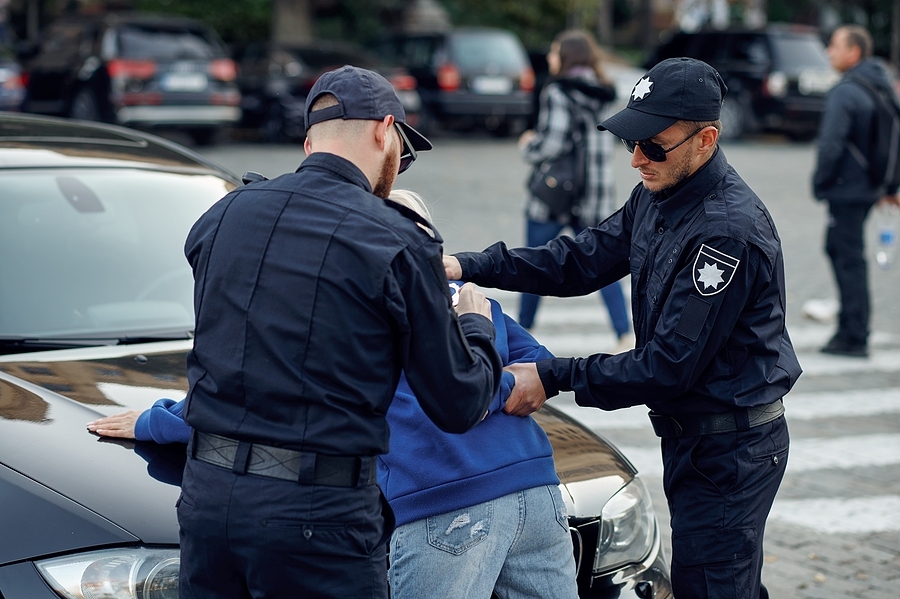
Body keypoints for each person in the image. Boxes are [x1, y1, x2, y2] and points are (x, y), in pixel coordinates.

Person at [88, 189, 579, 599]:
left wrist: (154, 422)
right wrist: (495, 381)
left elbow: (260, 400)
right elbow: (537, 369)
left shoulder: (359, 315)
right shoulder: (476, 304)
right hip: (538, 495)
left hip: (445, 507)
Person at [444, 57, 802, 599]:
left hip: (730, 447)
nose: (636, 159)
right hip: (697, 437)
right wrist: (469, 266)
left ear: (706, 140)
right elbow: (580, 260)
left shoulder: (726, 233)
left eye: (653, 145)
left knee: (711, 585)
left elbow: (666, 367)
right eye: (630, 141)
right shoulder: (659, 193)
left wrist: (551, 375)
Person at [173, 66, 503, 599]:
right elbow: (458, 402)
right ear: (384, 130)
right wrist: (474, 325)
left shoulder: (224, 214)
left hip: (208, 503)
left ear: (309, 141)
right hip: (315, 514)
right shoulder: (395, 238)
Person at [518, 30, 634, 352]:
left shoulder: (557, 91)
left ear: (566, 56)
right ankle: (624, 335)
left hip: (556, 195)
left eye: (554, 52)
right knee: (603, 265)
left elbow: (552, 144)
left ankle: (522, 332)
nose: (550, 58)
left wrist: (528, 146)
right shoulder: (605, 93)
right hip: (595, 195)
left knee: (533, 264)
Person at [812, 24, 900, 357]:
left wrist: (820, 182)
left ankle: (853, 335)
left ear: (855, 52)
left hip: (846, 190)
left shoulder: (846, 91)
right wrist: (889, 185)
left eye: (835, 45)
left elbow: (830, 144)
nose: (829, 52)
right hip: (869, 188)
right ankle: (854, 328)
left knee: (846, 257)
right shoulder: (881, 84)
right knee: (848, 254)